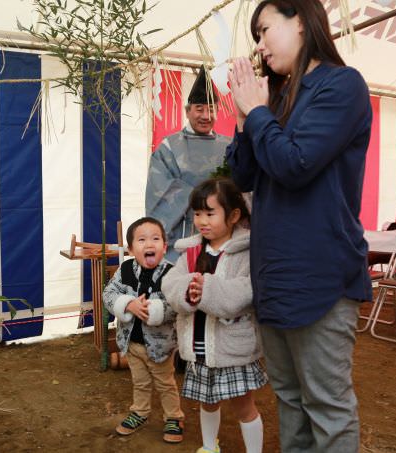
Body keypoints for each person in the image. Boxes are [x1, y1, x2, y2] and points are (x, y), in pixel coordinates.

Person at [226, 1, 372, 451]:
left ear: (301, 22)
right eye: (255, 36)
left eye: (264, 30)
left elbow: (295, 165)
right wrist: (245, 121)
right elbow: (243, 177)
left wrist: (257, 114)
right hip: (274, 275)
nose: (260, 45)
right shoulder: (279, 97)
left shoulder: (341, 85)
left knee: (327, 405)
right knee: (289, 399)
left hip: (320, 276)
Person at [162, 178, 267, 453]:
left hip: (232, 349)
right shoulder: (192, 250)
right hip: (199, 349)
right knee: (207, 402)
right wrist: (187, 292)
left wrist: (207, 291)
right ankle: (210, 447)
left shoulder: (246, 252)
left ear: (233, 215)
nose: (202, 221)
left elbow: (245, 291)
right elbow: (170, 283)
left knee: (244, 406)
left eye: (210, 213)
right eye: (197, 214)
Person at [102, 217, 185, 442]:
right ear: (130, 249)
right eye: (142, 240)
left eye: (156, 239)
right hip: (132, 344)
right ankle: (140, 412)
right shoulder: (126, 269)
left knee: (165, 383)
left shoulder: (172, 273)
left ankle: (174, 417)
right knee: (140, 382)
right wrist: (128, 304)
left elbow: (178, 305)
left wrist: (155, 310)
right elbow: (108, 294)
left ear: (164, 247)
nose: (149, 244)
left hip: (160, 347)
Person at [146, 67, 232, 262]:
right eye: (199, 109)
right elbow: (158, 191)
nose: (205, 115)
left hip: (222, 241)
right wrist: (204, 198)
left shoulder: (228, 146)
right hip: (181, 241)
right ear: (187, 111)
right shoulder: (169, 147)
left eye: (211, 109)